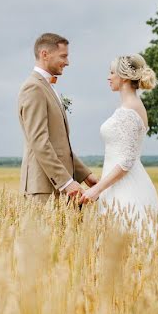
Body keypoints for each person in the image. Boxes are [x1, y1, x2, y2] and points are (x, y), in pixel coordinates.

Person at [82, 54, 158, 232]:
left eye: (112, 73)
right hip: (114, 186)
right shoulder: (129, 107)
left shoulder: (131, 109)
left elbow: (126, 161)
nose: (108, 77)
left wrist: (96, 190)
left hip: (126, 188)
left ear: (124, 76)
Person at [17, 33, 99, 204]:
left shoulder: (46, 86)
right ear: (44, 54)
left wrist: (86, 175)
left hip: (58, 190)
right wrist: (67, 182)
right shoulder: (34, 88)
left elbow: (59, 145)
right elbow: (39, 142)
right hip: (43, 190)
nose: (67, 62)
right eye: (64, 56)